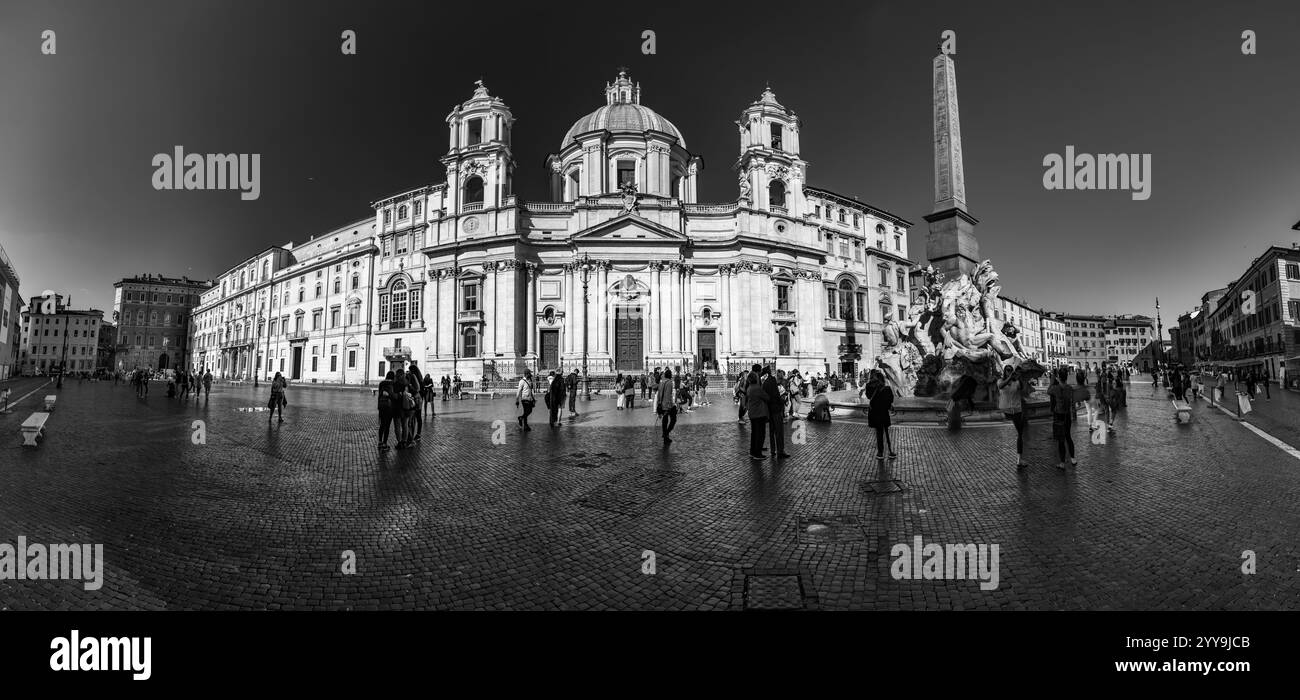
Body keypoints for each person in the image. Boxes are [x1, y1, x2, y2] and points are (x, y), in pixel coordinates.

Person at [997, 365, 1029, 469]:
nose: (1010, 372)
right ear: (1005, 371)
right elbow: (1000, 386)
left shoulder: (1016, 382)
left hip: (1017, 410)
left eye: (1011, 370)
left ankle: (1019, 459)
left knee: (1020, 434)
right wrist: (1010, 377)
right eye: (1008, 370)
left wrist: (1020, 377)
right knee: (1015, 433)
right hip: (1006, 410)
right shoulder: (1000, 381)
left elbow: (1024, 390)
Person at [1048, 367, 1077, 471]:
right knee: (1068, 436)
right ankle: (1073, 458)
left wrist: (1052, 379)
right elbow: (1073, 401)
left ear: (1059, 377)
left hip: (1059, 415)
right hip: (1067, 414)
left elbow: (1048, 391)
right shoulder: (1069, 388)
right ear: (1067, 377)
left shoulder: (1055, 388)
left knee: (1061, 440)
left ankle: (1062, 462)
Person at [864, 370, 896, 462]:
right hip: (883, 413)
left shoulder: (869, 387)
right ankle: (890, 451)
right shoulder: (886, 389)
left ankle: (880, 453)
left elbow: (868, 396)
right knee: (885, 431)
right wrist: (889, 406)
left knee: (879, 433)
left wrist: (871, 383)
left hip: (874, 413)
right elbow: (890, 400)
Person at [763, 366, 789, 458]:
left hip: (769, 410)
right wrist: (782, 401)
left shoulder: (765, 383)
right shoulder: (772, 381)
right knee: (779, 431)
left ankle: (773, 450)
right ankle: (780, 451)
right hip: (776, 409)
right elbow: (776, 396)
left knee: (771, 431)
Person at [745, 371, 769, 459]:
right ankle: (758, 453)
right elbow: (767, 397)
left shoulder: (749, 388)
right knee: (760, 434)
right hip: (759, 414)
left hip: (752, 414)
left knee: (754, 434)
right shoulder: (757, 388)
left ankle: (752, 451)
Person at [656, 368, 679, 444]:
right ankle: (666, 433)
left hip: (662, 403)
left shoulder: (661, 382)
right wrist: (672, 404)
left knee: (665, 420)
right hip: (668, 404)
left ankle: (666, 437)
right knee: (673, 419)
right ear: (670, 375)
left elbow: (659, 393)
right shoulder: (669, 382)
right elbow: (669, 394)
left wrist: (659, 403)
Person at [377, 370, 398, 449]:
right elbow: (393, 396)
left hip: (381, 406)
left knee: (382, 424)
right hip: (389, 407)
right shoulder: (393, 384)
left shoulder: (381, 383)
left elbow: (379, 395)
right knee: (387, 425)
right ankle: (385, 443)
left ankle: (380, 441)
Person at [405, 366, 423, 442]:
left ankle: (413, 436)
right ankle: (417, 434)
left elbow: (417, 389)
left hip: (416, 399)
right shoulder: (419, 378)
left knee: (414, 418)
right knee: (417, 418)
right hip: (419, 399)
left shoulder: (414, 377)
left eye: (410, 370)